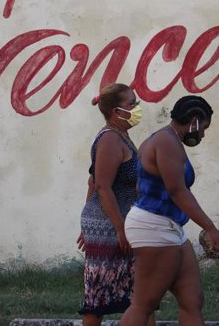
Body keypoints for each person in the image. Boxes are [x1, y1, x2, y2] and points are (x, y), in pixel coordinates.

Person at [120, 95, 219, 326]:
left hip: (170, 227)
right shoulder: (166, 142)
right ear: (194, 121)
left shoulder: (168, 141)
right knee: (144, 304)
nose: (203, 135)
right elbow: (177, 190)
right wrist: (209, 227)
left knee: (193, 300)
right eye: (204, 128)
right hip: (154, 226)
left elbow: (143, 185)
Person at [77, 83, 146, 326]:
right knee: (98, 297)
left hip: (117, 223)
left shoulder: (121, 136)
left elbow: (91, 180)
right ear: (116, 112)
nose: (137, 108)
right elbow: (101, 186)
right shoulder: (109, 140)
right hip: (111, 225)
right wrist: (119, 228)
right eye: (131, 104)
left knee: (142, 295)